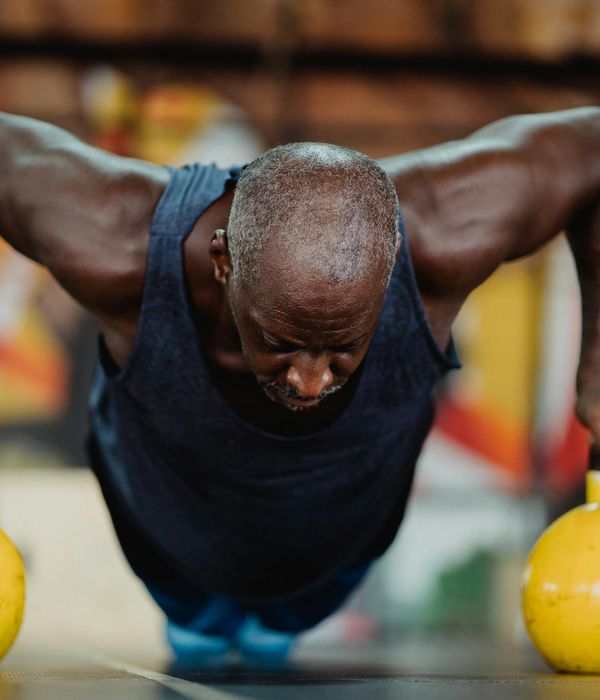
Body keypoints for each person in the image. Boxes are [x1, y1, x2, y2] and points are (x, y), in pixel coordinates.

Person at [1, 107, 599, 662]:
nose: (310, 383)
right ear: (223, 261)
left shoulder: (445, 233)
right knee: (201, 636)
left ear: (391, 260)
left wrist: (596, 360)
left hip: (331, 563)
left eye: (342, 348)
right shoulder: (115, 243)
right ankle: (205, 622)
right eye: (282, 344)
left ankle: (270, 625)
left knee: (272, 638)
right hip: (170, 550)